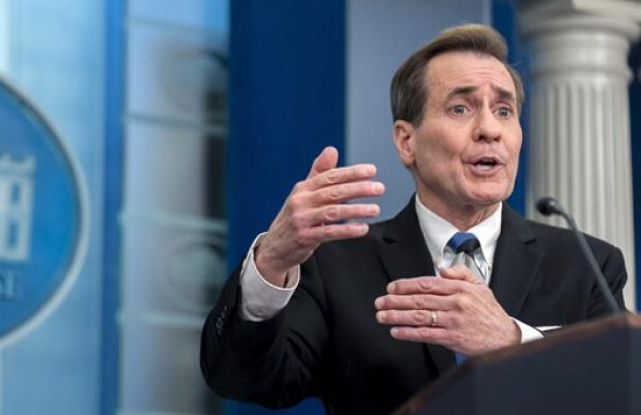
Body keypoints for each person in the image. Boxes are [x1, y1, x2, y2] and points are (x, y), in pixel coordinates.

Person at [200, 24, 627, 415]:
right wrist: (272, 261)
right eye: (460, 109)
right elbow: (243, 380)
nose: (490, 129)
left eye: (503, 111)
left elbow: (623, 391)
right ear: (407, 142)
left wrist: (513, 341)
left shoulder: (586, 265)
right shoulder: (336, 265)